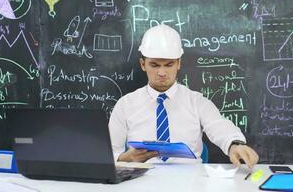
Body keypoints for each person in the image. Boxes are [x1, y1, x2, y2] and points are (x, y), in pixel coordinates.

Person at [109, 24, 259, 168]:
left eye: (169, 65)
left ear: (179, 63)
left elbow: (218, 126)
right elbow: (109, 152)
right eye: (154, 65)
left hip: (191, 180)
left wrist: (234, 145)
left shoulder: (197, 102)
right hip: (140, 180)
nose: (161, 73)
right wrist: (124, 159)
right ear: (143, 64)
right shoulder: (125, 105)